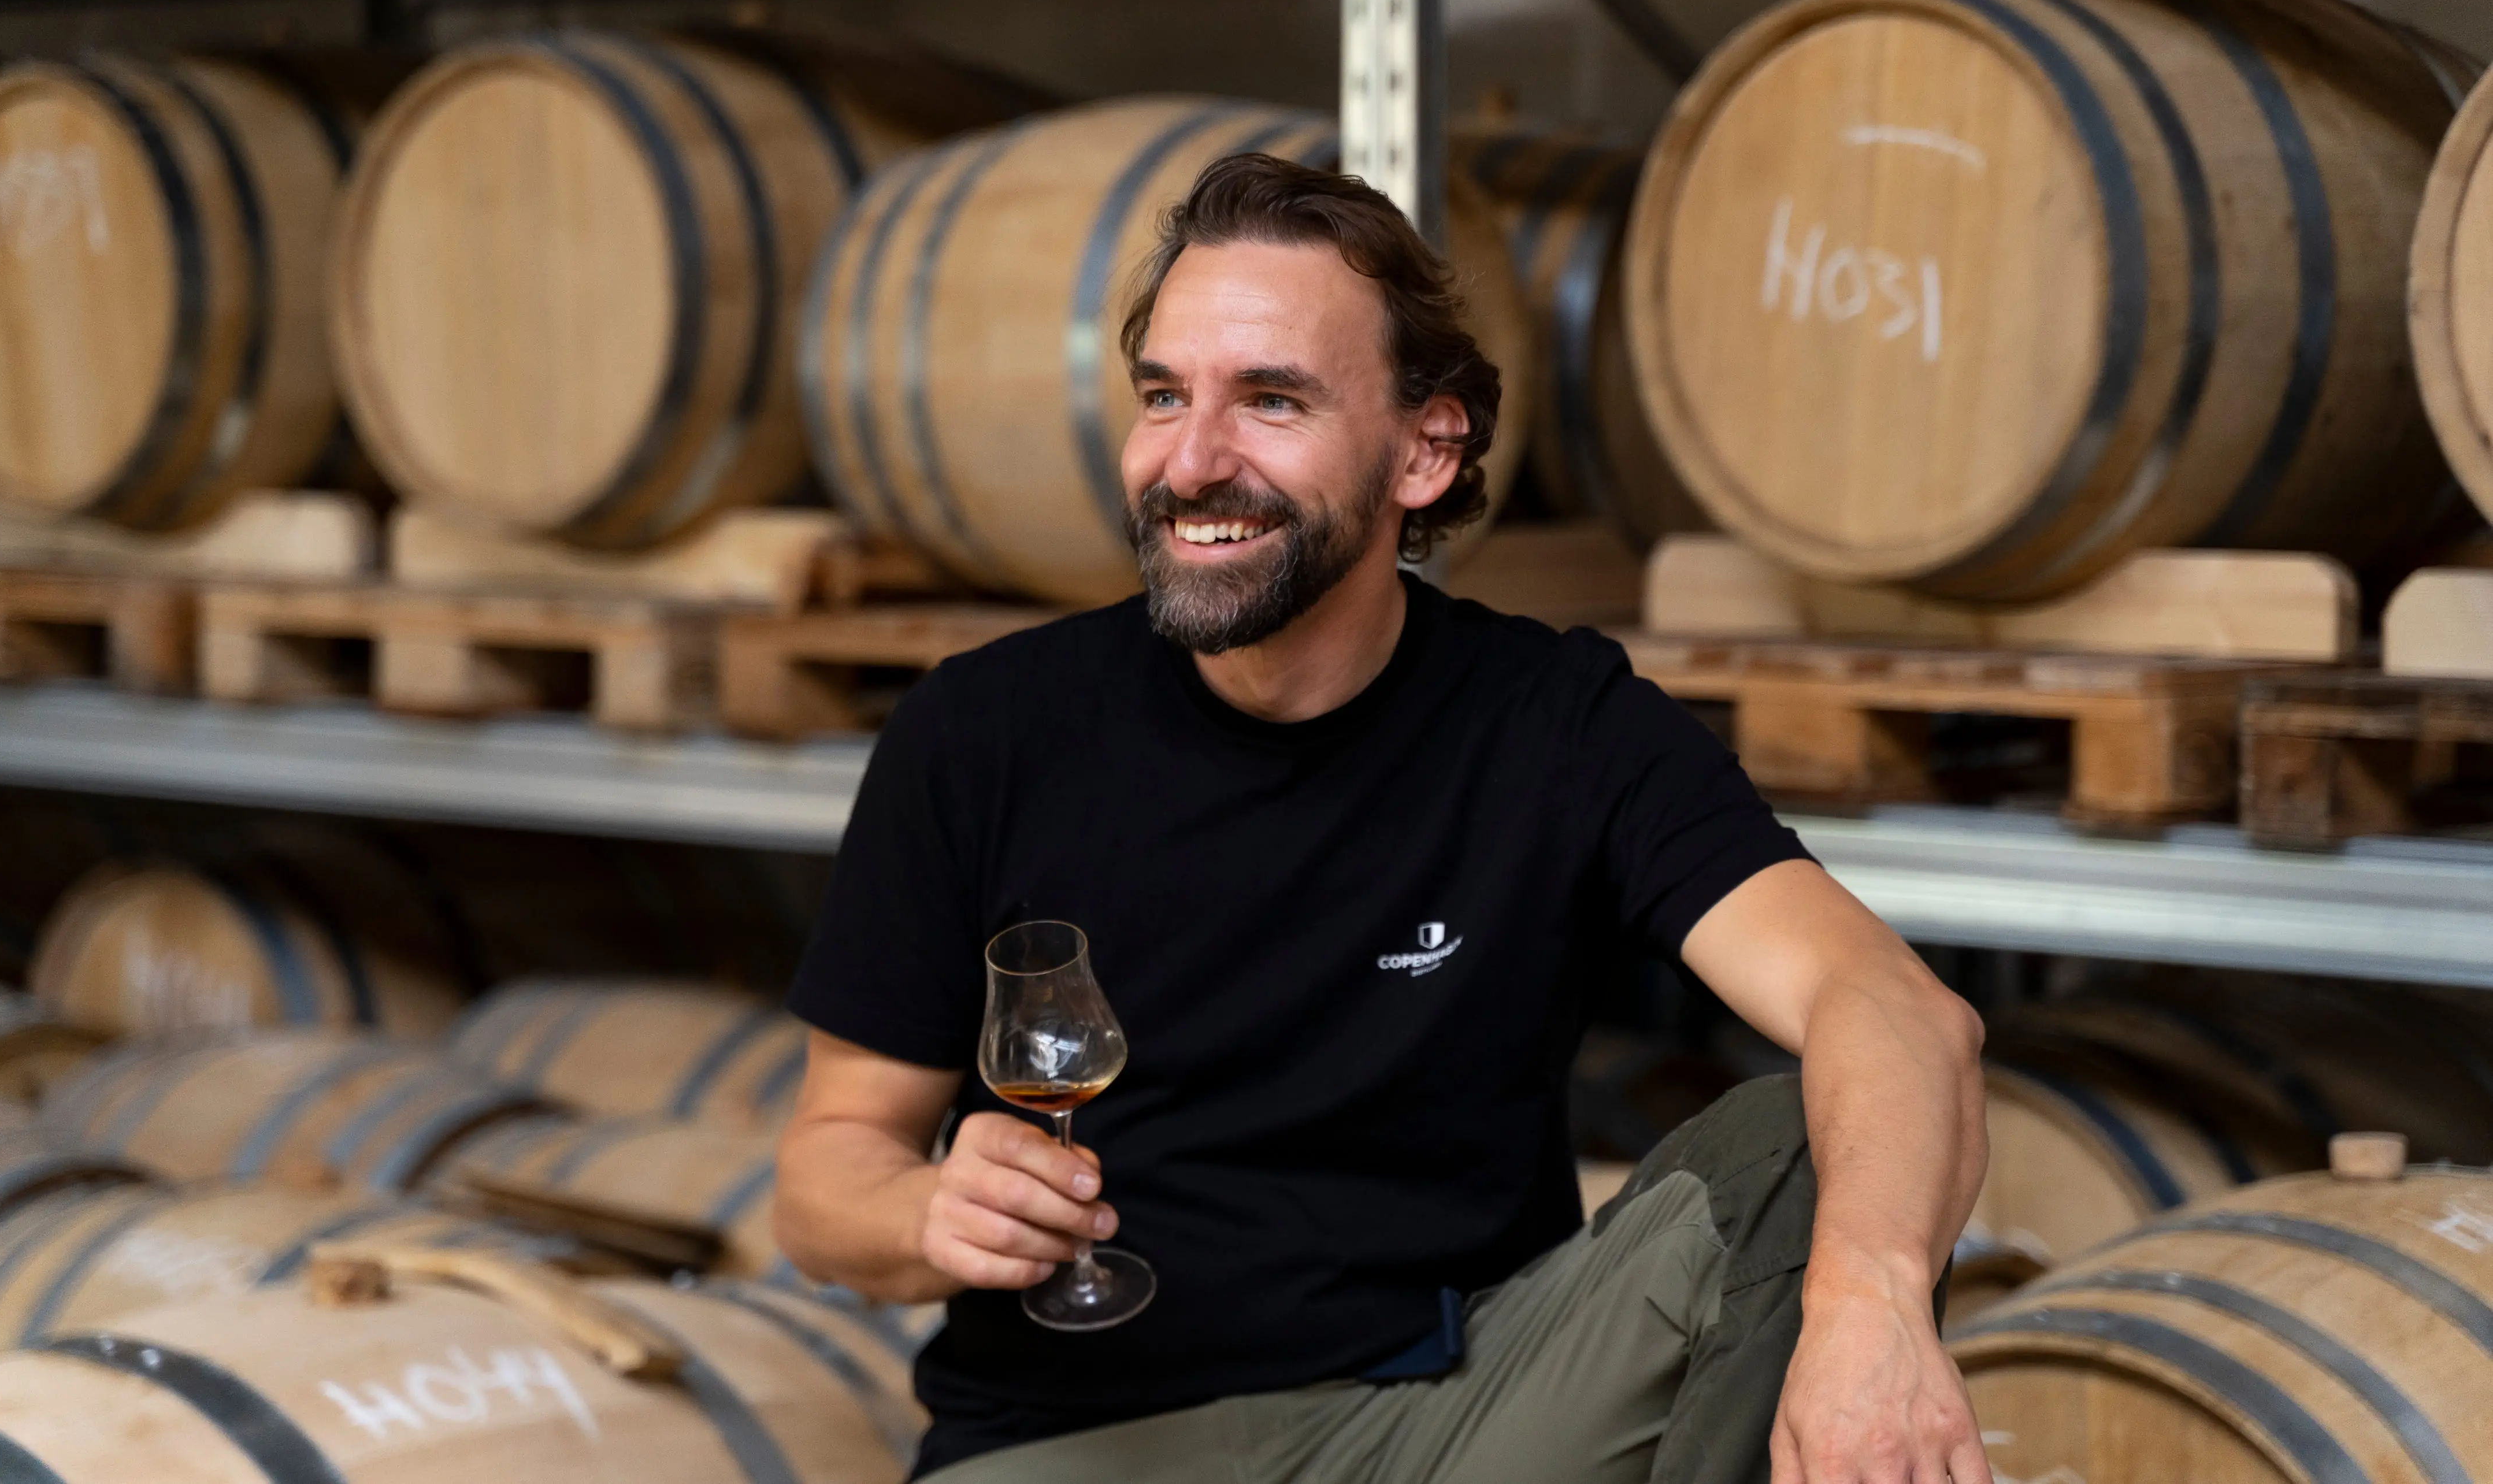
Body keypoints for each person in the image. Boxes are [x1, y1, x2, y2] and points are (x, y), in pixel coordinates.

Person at [774, 152, 1991, 1484]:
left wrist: (1864, 1312)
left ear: (1425, 448)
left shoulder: (1553, 721)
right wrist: (922, 1209)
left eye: (1272, 401)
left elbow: (1894, 1009)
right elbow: (827, 1177)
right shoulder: (984, 731)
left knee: (1798, 1151)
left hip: (1454, 1421)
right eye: (1164, 397)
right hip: (1083, 1444)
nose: (1191, 461)